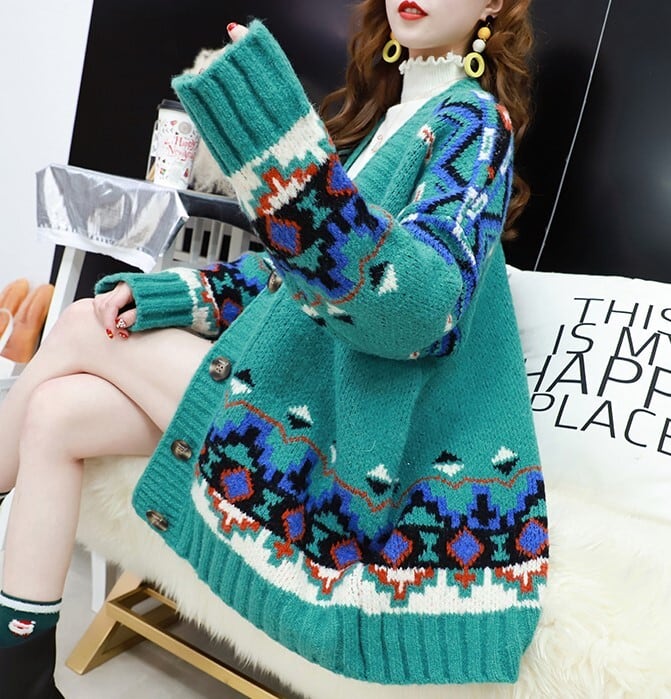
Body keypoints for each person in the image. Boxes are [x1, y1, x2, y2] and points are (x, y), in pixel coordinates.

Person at [0, 0, 547, 695]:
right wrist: (172, 296)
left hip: (343, 438)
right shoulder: (385, 121)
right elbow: (287, 276)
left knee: (81, 325)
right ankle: (20, 677)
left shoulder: (474, 124)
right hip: (296, 394)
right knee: (55, 412)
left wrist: (283, 148)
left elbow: (415, 312)